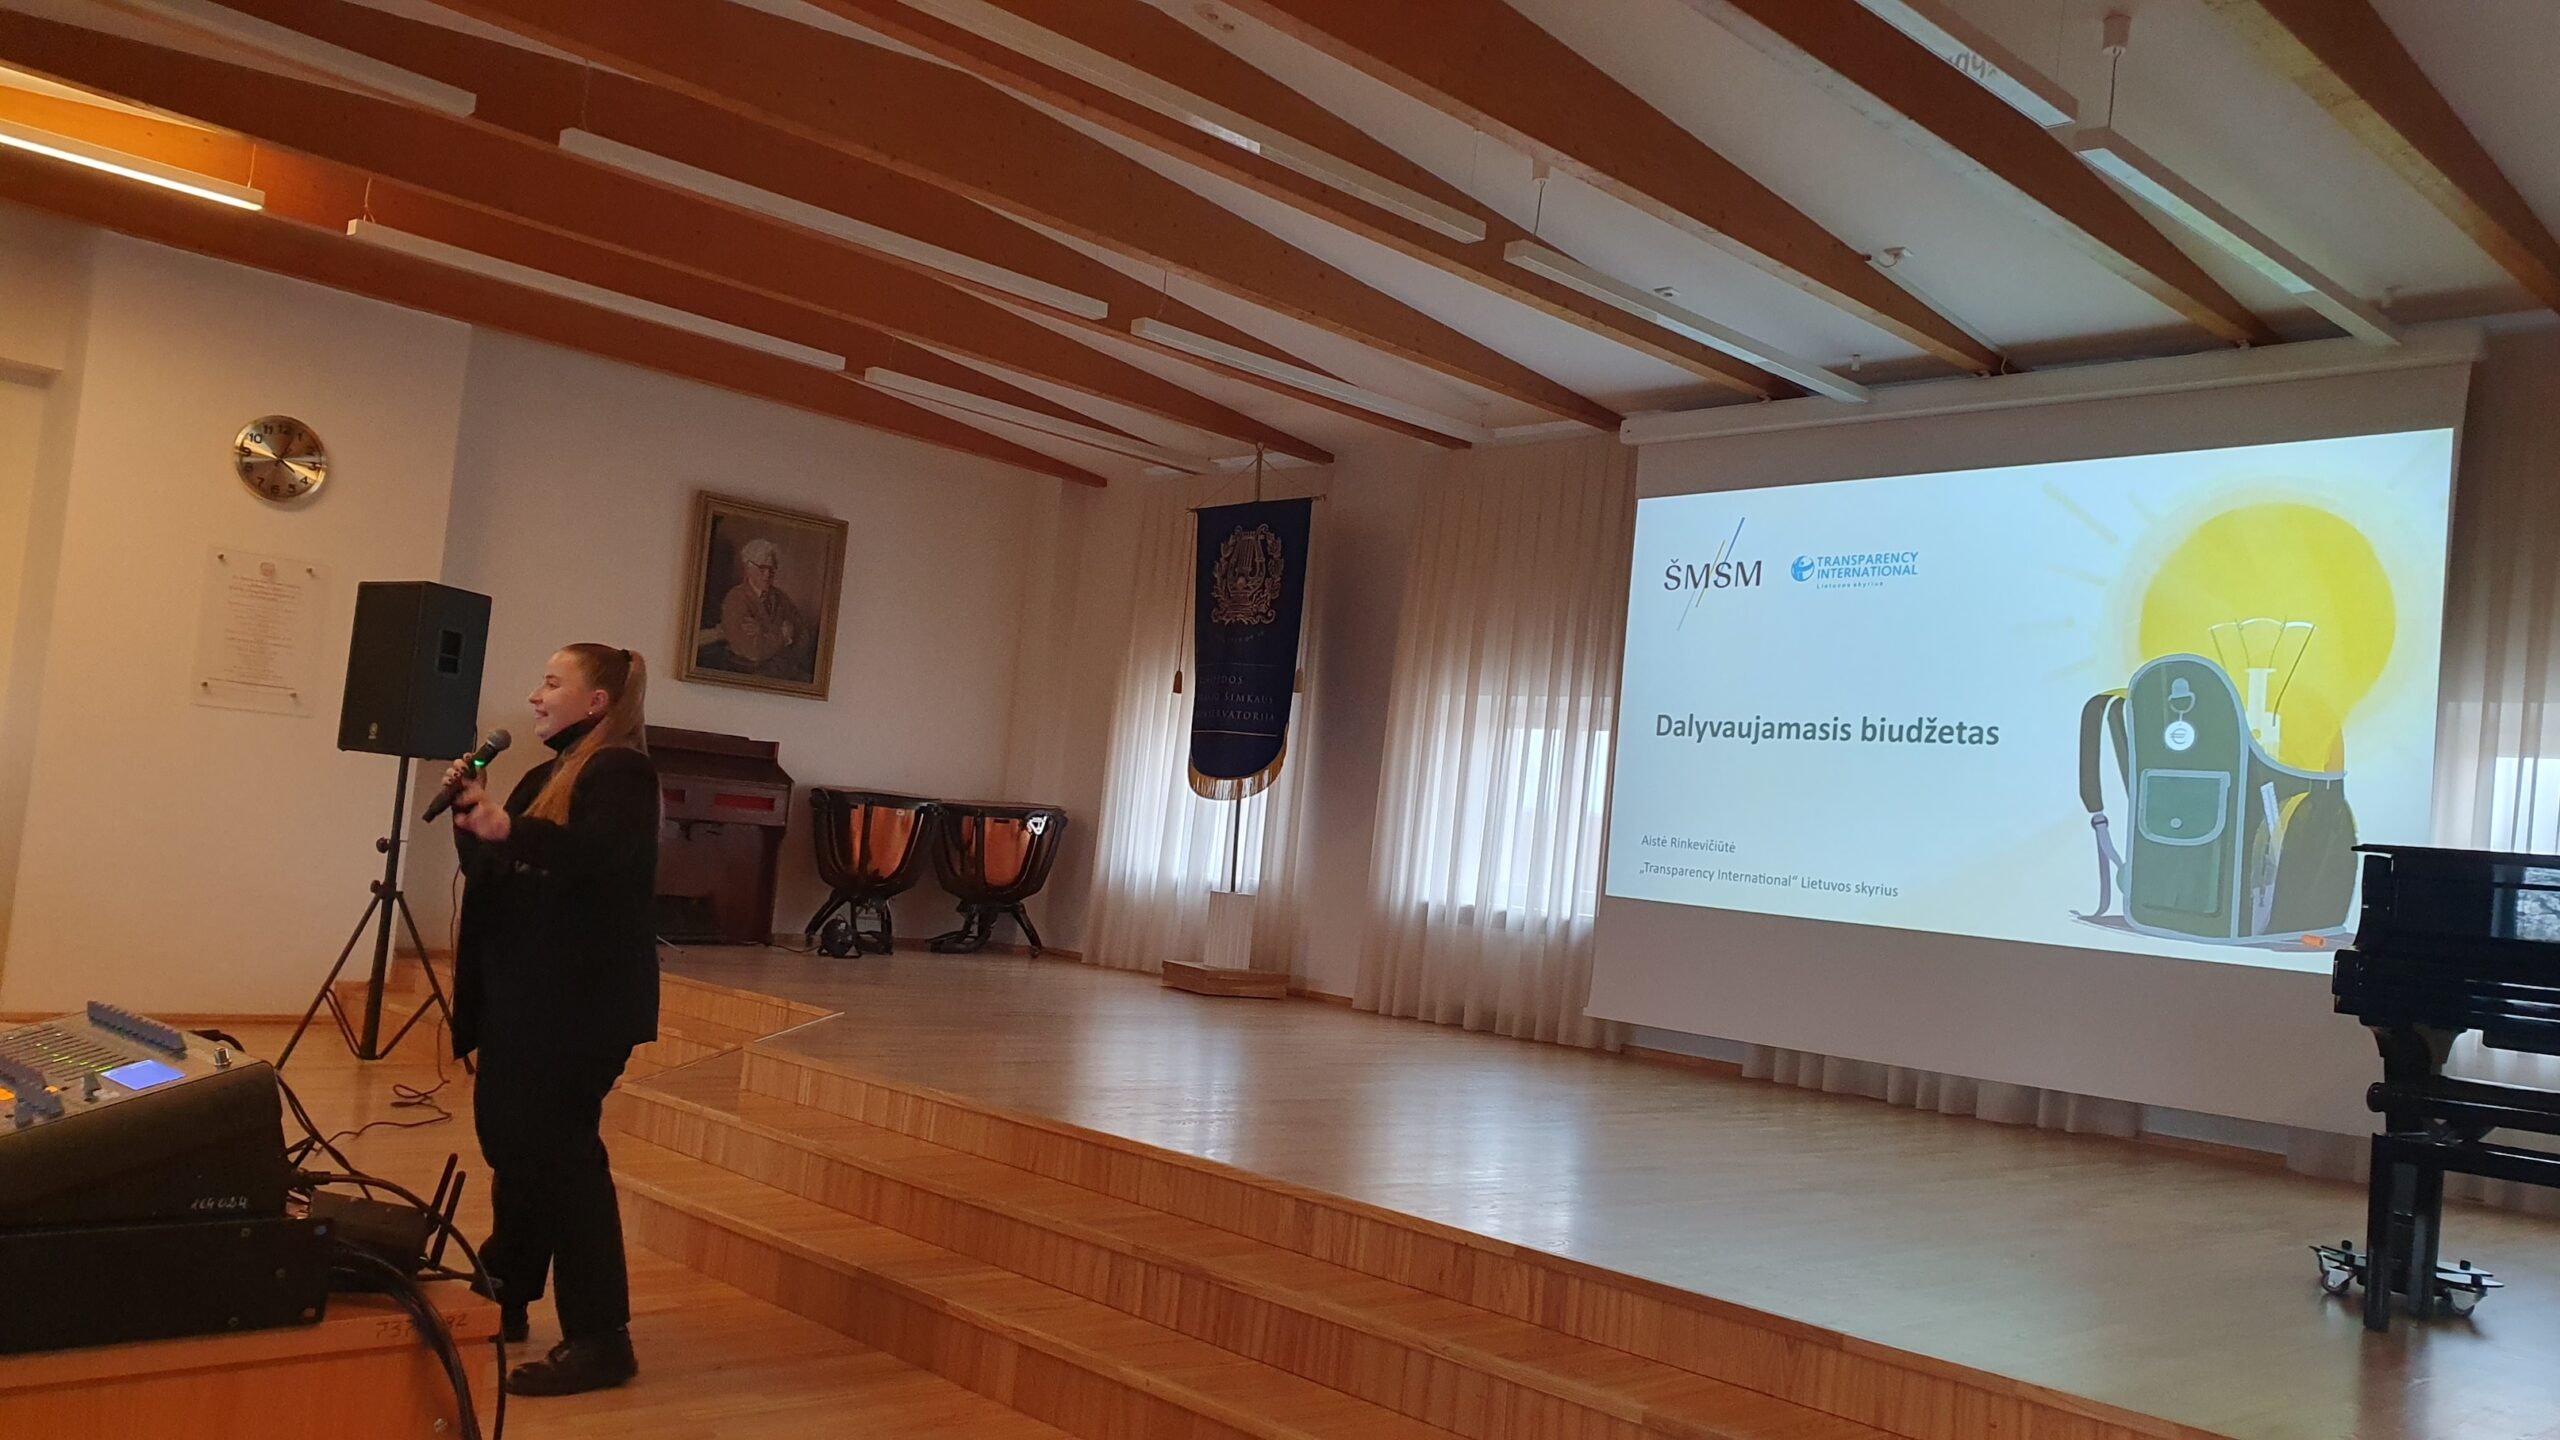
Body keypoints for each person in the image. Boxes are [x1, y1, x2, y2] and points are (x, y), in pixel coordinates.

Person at [442, 643, 660, 1397]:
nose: (536, 697)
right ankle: (506, 1293)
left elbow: (598, 857)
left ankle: (602, 1339)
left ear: (597, 703)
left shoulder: (622, 772)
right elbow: (497, 875)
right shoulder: (545, 776)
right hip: (528, 999)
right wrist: (471, 818)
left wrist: (509, 830)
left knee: (562, 1160)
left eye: (551, 683)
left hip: (578, 1007)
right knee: (516, 1147)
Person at [715, 537, 810, 678]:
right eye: (762, 568)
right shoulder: (736, 599)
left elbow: (803, 636)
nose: (767, 574)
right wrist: (783, 637)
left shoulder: (781, 597)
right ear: (748, 568)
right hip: (747, 674)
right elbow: (753, 651)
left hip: (783, 670)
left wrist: (764, 633)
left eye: (771, 569)